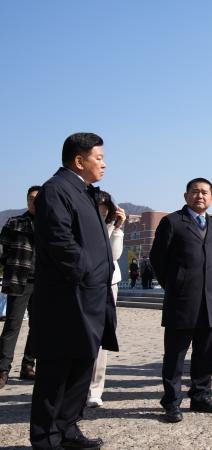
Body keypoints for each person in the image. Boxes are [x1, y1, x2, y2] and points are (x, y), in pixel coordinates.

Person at [30, 132, 118, 450]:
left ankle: (67, 428)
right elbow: (60, 243)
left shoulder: (85, 192)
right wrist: (85, 273)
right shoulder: (56, 190)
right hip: (68, 298)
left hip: (92, 295)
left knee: (82, 366)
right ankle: (45, 438)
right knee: (56, 372)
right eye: (99, 158)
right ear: (79, 161)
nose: (104, 164)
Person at [150, 178, 212, 423]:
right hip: (181, 299)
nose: (200, 196)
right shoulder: (171, 222)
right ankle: (171, 401)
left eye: (205, 193)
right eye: (195, 192)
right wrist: (174, 283)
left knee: (205, 353)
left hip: (209, 299)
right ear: (185, 196)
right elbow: (157, 259)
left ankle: (201, 396)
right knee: (175, 354)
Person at [87, 191, 126, 408]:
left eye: (105, 208)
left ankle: (95, 388)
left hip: (108, 284)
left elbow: (114, 255)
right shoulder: (80, 223)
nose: (101, 211)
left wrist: (117, 228)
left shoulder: (111, 226)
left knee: (101, 338)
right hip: (83, 283)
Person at [0, 185, 41, 389]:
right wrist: (11, 266)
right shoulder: (15, 222)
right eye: (31, 198)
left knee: (38, 326)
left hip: (43, 282)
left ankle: (28, 365)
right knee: (12, 325)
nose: (33, 202)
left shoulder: (51, 224)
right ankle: (2, 369)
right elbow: (2, 250)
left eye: (37, 198)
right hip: (19, 281)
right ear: (26, 201)